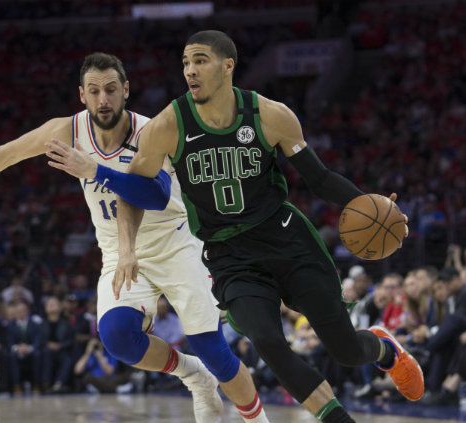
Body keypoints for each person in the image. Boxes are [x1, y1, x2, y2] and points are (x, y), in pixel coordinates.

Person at [0, 52, 268, 422]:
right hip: (118, 249)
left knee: (212, 347)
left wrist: (95, 170)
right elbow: (10, 153)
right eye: (95, 91)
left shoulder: (151, 130)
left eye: (112, 90)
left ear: (126, 91)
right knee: (117, 337)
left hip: (174, 240)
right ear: (82, 95)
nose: (104, 99)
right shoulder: (67, 131)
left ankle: (257, 418)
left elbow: (155, 195)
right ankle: (192, 374)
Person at [109, 31, 423, 423]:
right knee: (268, 340)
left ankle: (383, 349)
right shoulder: (168, 125)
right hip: (230, 255)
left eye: (200, 60)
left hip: (285, 237)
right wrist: (126, 250)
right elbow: (131, 192)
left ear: (228, 66)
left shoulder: (269, 114)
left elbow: (319, 178)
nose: (190, 70)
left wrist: (369, 204)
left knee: (345, 350)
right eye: (186, 62)